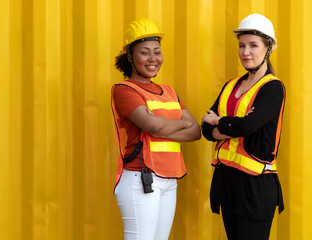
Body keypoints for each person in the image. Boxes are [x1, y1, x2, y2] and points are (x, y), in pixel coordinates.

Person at [111, 18, 201, 240]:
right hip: (140, 179)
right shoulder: (125, 90)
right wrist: (178, 123)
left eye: (157, 52)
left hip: (169, 179)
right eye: (144, 52)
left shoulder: (168, 91)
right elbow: (152, 125)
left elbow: (196, 131)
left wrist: (162, 126)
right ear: (131, 56)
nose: (153, 59)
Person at [201, 13, 285, 240]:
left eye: (253, 46)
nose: (245, 52)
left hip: (255, 187)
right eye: (241, 46)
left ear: (268, 49)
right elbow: (205, 130)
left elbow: (247, 126)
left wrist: (219, 122)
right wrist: (229, 126)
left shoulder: (273, 88)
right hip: (228, 183)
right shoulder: (231, 85)